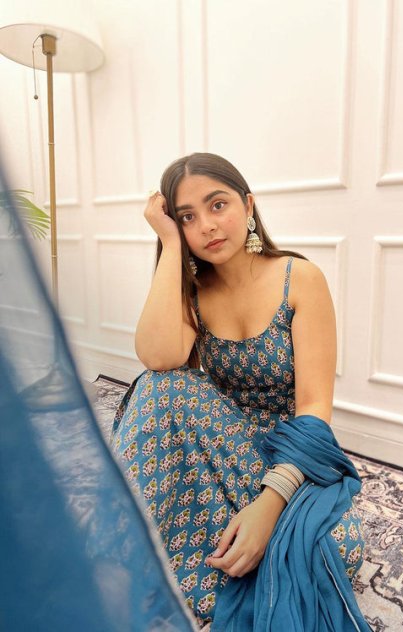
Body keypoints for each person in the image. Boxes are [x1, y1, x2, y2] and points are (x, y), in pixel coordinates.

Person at [111, 152, 368, 631]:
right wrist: (169, 244)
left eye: (217, 205)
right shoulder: (193, 292)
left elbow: (315, 409)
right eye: (187, 217)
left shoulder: (299, 278)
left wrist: (270, 506)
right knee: (162, 387)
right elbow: (158, 358)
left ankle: (212, 544)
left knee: (338, 548)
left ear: (247, 205)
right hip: (220, 448)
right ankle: (117, 559)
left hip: (291, 458)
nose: (206, 225)